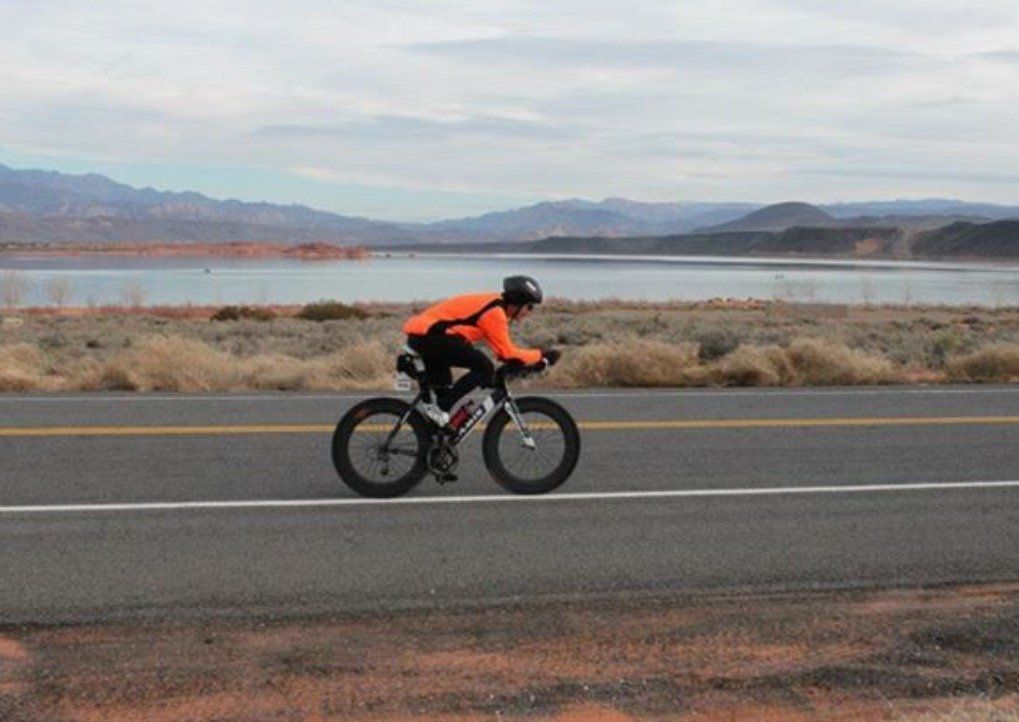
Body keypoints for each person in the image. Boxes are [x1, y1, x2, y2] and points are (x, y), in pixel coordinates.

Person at [402, 275, 561, 425]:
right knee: (484, 367)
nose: (529, 312)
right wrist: (541, 355)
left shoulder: (495, 306)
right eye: (530, 307)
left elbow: (498, 350)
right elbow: (506, 353)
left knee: (445, 389)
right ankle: (441, 407)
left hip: (426, 337)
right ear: (518, 302)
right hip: (430, 336)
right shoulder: (495, 312)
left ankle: (434, 440)